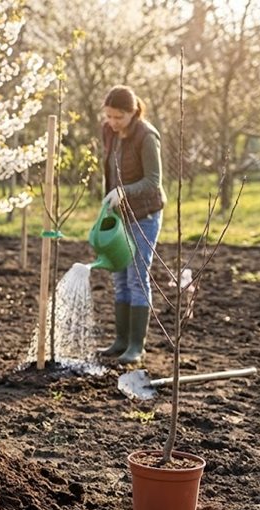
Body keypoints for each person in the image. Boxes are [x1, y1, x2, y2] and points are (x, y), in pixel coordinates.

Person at [99, 85, 166, 365]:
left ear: (133, 112)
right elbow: (110, 170)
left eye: (119, 118)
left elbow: (153, 181)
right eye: (109, 116)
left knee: (137, 277)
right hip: (119, 217)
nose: (113, 123)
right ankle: (121, 341)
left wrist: (123, 191)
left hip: (145, 216)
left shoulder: (147, 136)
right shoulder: (109, 132)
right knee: (119, 277)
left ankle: (137, 346)